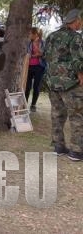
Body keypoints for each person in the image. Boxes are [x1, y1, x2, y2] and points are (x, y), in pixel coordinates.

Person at [43, 9, 83, 161]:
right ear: (76, 20)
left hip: (53, 82)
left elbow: (45, 55)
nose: (81, 23)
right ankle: (76, 151)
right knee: (77, 116)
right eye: (80, 20)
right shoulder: (75, 37)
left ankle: (58, 147)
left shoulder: (52, 36)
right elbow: (78, 60)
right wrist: (81, 76)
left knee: (57, 115)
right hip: (71, 84)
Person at [25, 27, 46, 112]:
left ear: (35, 34)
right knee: (27, 87)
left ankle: (33, 105)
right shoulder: (29, 43)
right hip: (29, 66)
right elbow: (27, 53)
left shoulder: (43, 42)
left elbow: (45, 54)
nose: (29, 35)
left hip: (39, 66)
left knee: (36, 86)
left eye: (30, 33)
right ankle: (25, 103)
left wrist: (37, 54)